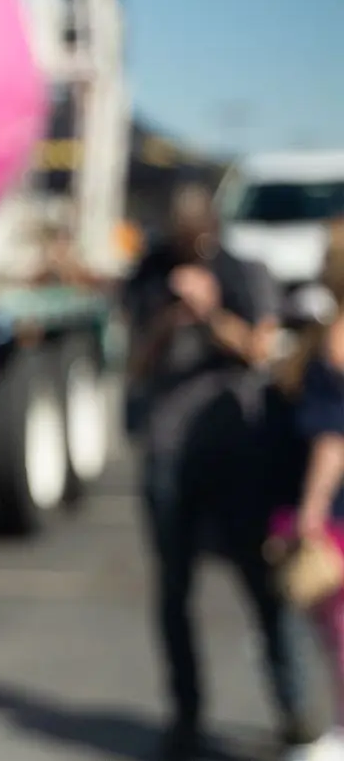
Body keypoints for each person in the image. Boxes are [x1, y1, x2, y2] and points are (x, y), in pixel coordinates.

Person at [124, 182, 318, 760]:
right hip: (168, 452)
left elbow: (264, 352)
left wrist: (211, 314)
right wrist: (167, 319)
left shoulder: (240, 270)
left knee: (265, 589)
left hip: (238, 454)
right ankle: (186, 717)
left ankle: (296, 711)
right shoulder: (149, 276)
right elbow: (134, 365)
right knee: (174, 592)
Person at [272, 220, 344, 756]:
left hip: (339, 515)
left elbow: (332, 439)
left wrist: (310, 512)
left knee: (338, 630)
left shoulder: (338, 339)